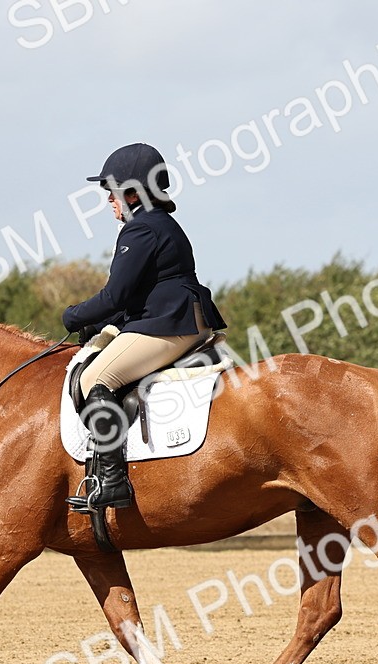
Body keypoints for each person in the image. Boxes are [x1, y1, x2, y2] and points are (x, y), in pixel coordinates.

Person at [61, 143, 227, 512]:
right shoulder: (160, 224)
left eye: (112, 192)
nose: (109, 201)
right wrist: (100, 323)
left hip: (170, 323)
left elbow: (114, 296)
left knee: (94, 380)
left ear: (133, 193)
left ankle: (113, 482)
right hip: (178, 317)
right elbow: (137, 296)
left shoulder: (140, 230)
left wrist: (73, 317)